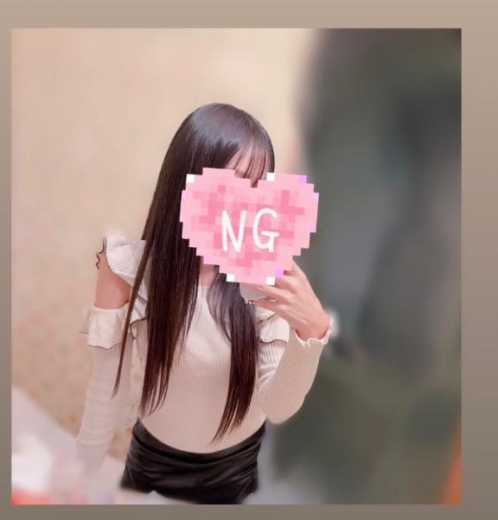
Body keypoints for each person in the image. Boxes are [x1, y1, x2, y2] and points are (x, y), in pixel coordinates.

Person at [76, 102, 336, 504]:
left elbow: (278, 407)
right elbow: (105, 390)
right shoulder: (126, 268)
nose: (244, 205)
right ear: (187, 183)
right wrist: (76, 479)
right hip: (151, 463)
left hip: (238, 470)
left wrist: (310, 334)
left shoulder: (265, 279)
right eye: (234, 185)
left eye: (258, 187)